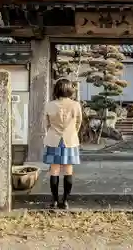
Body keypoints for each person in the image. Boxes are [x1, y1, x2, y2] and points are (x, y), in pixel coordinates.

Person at [42, 78, 83, 209]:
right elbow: (79, 122)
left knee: (54, 170)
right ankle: (65, 201)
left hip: (53, 139)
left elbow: (45, 124)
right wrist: (72, 132)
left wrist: (52, 131)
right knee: (68, 170)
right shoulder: (76, 105)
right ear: (70, 89)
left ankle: (54, 201)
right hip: (70, 140)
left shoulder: (49, 105)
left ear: (57, 90)